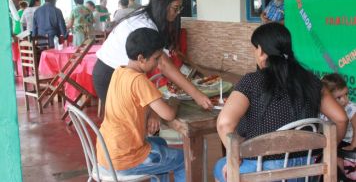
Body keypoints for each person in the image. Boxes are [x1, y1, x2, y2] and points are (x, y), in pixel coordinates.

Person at [214, 23, 347, 182]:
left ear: (261, 51)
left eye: (255, 48)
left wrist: (235, 157)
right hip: (306, 170)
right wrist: (329, 149)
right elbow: (341, 118)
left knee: (220, 167)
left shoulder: (251, 82)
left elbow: (224, 123)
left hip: (262, 172)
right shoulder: (310, 81)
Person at [93, 0, 212, 109]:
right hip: (110, 76)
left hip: (117, 74)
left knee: (141, 118)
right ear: (163, 5)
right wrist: (197, 95)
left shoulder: (148, 19)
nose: (177, 13)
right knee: (128, 122)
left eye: (180, 8)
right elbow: (164, 64)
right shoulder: (145, 25)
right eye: (175, 8)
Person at [96, 28, 185, 181]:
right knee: (183, 159)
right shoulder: (139, 80)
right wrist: (175, 100)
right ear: (141, 58)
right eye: (156, 59)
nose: (158, 64)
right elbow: (169, 114)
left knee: (161, 143)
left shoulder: (120, 71)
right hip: (125, 160)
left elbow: (140, 102)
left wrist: (153, 113)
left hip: (107, 153)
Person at [321, 73, 356, 179]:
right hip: (335, 141)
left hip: (349, 141)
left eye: (346, 94)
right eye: (339, 97)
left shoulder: (350, 107)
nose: (345, 100)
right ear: (328, 98)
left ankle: (344, 177)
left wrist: (353, 146)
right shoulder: (323, 109)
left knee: (336, 157)